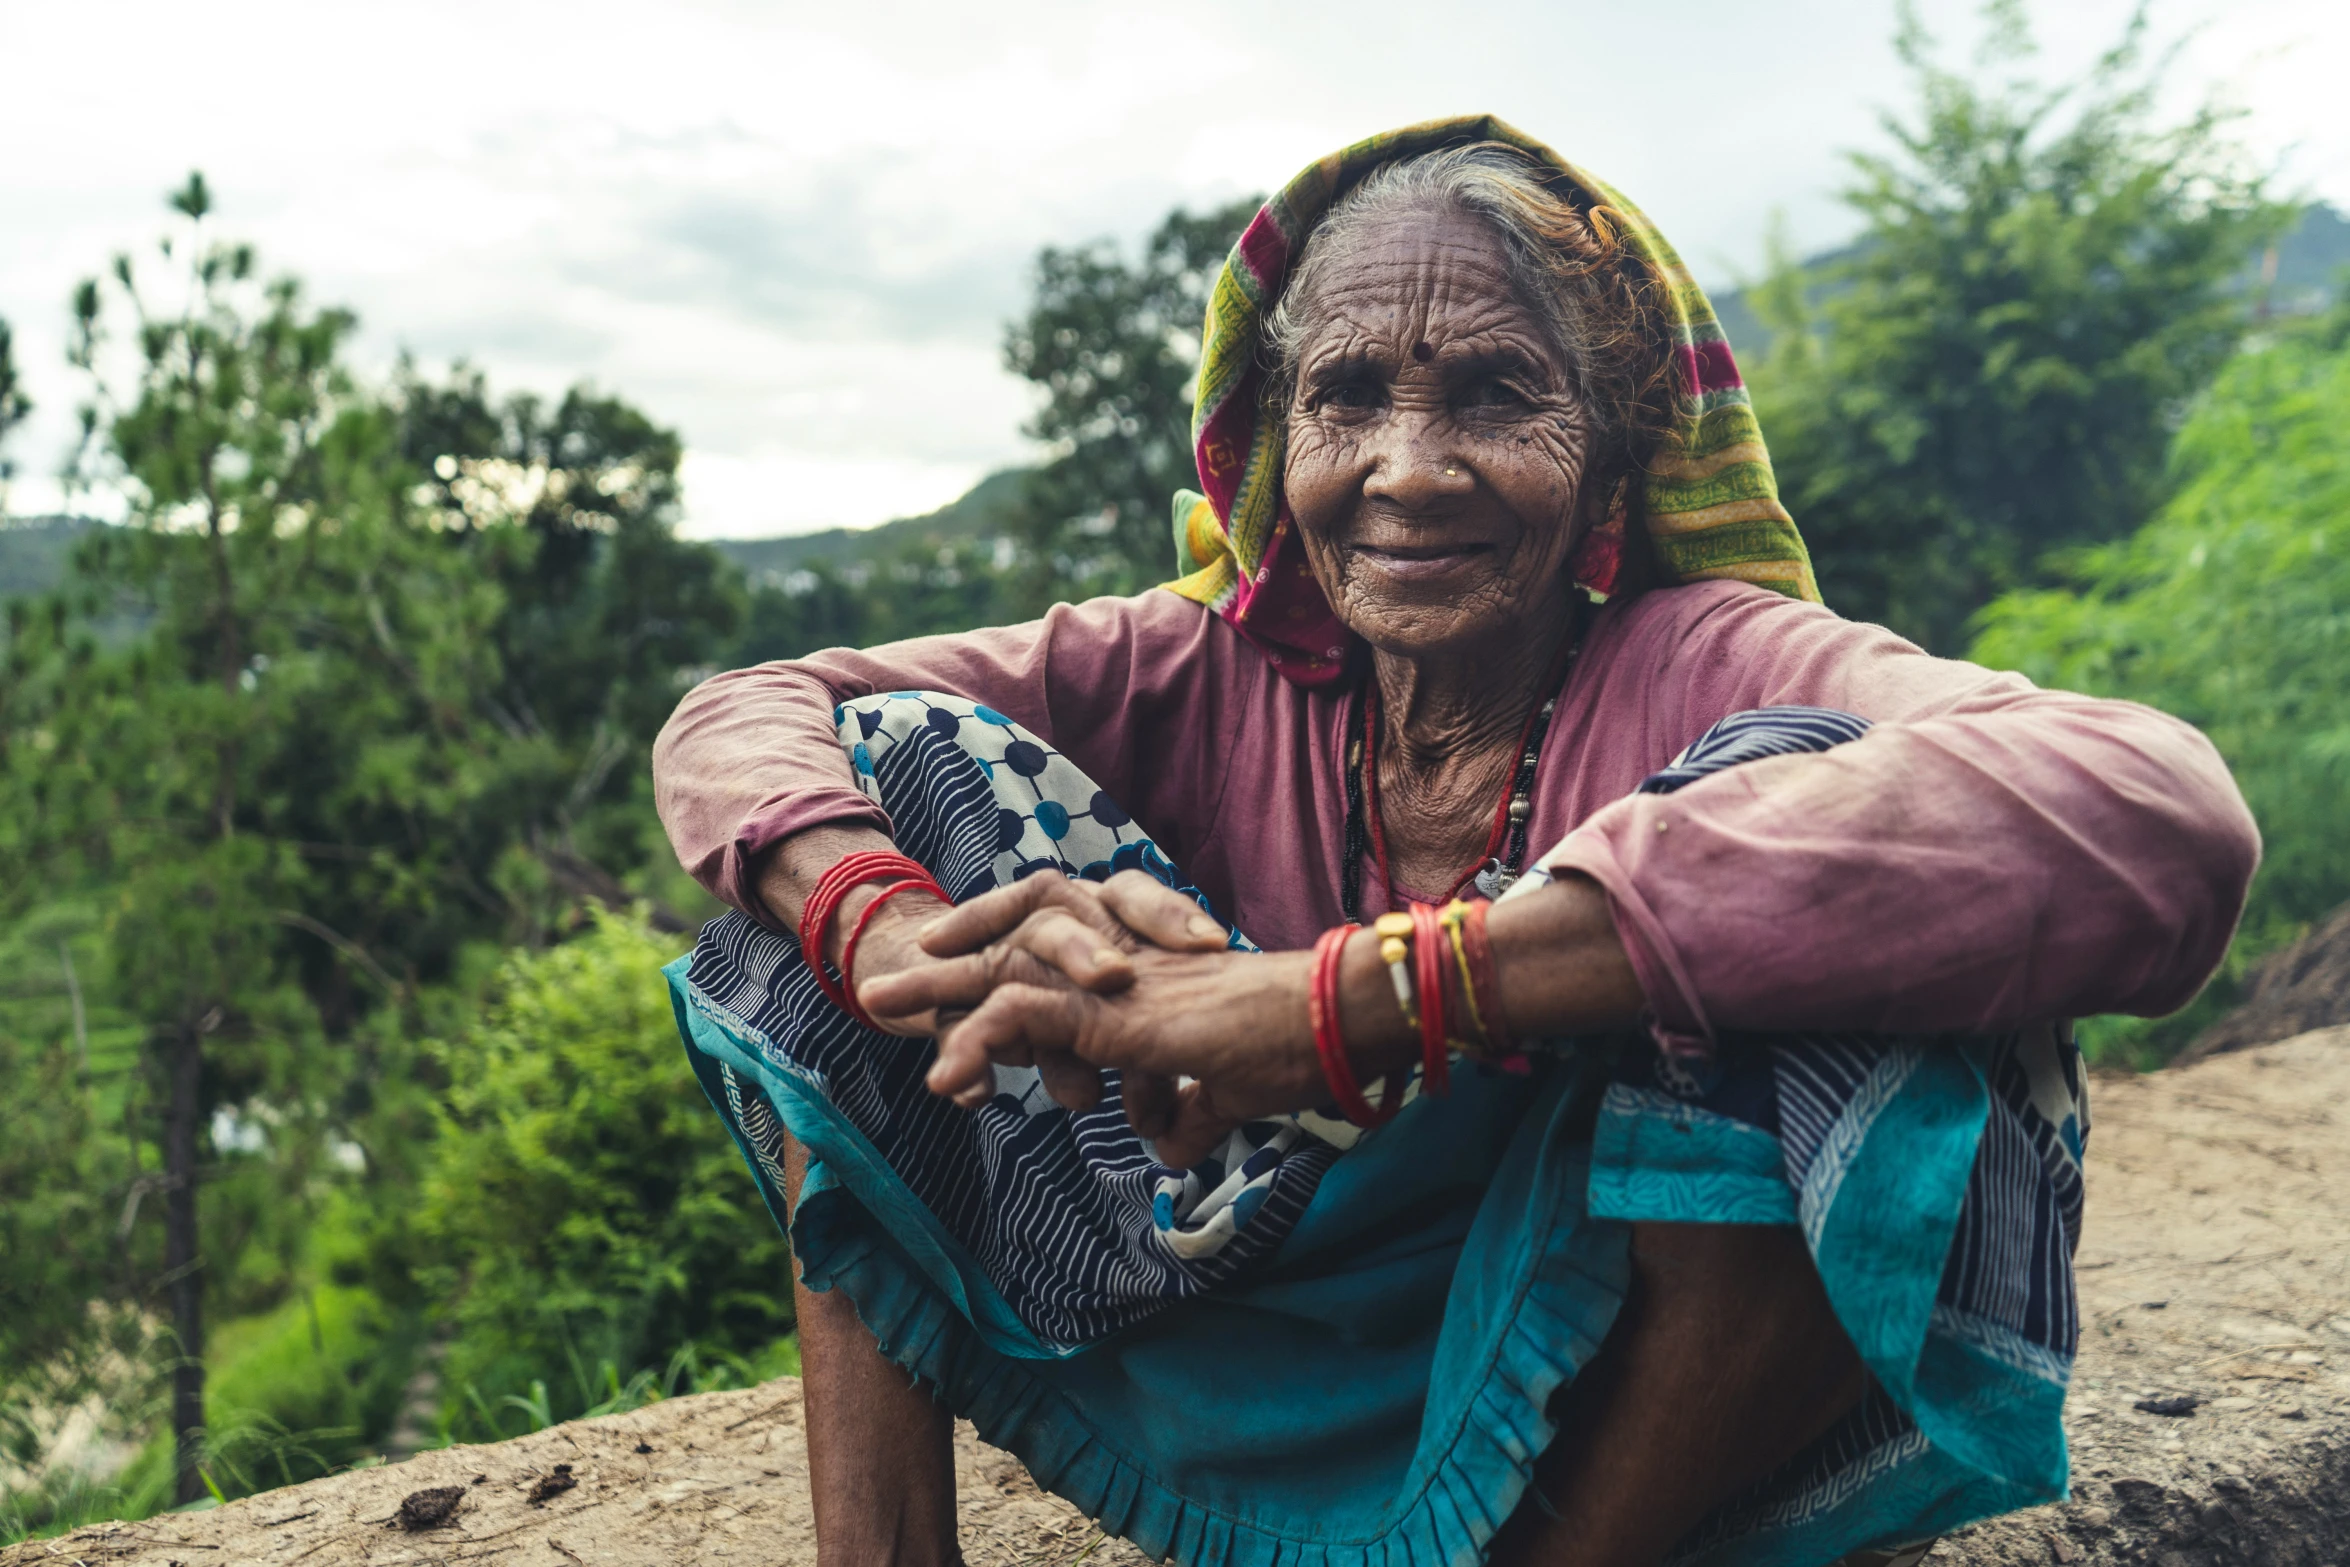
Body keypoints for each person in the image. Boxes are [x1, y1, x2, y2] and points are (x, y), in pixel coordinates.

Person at [653, 118, 2257, 1567]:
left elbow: (2158, 812)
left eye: (1495, 393)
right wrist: (879, 922)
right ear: (1279, 449)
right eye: (1347, 398)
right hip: (1236, 1311)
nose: (1408, 472)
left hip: (1596, 1379)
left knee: (1825, 850)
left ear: (1613, 449)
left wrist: (1345, 998)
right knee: (873, 786)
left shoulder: (1703, 656)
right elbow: (750, 711)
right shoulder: (1196, 662)